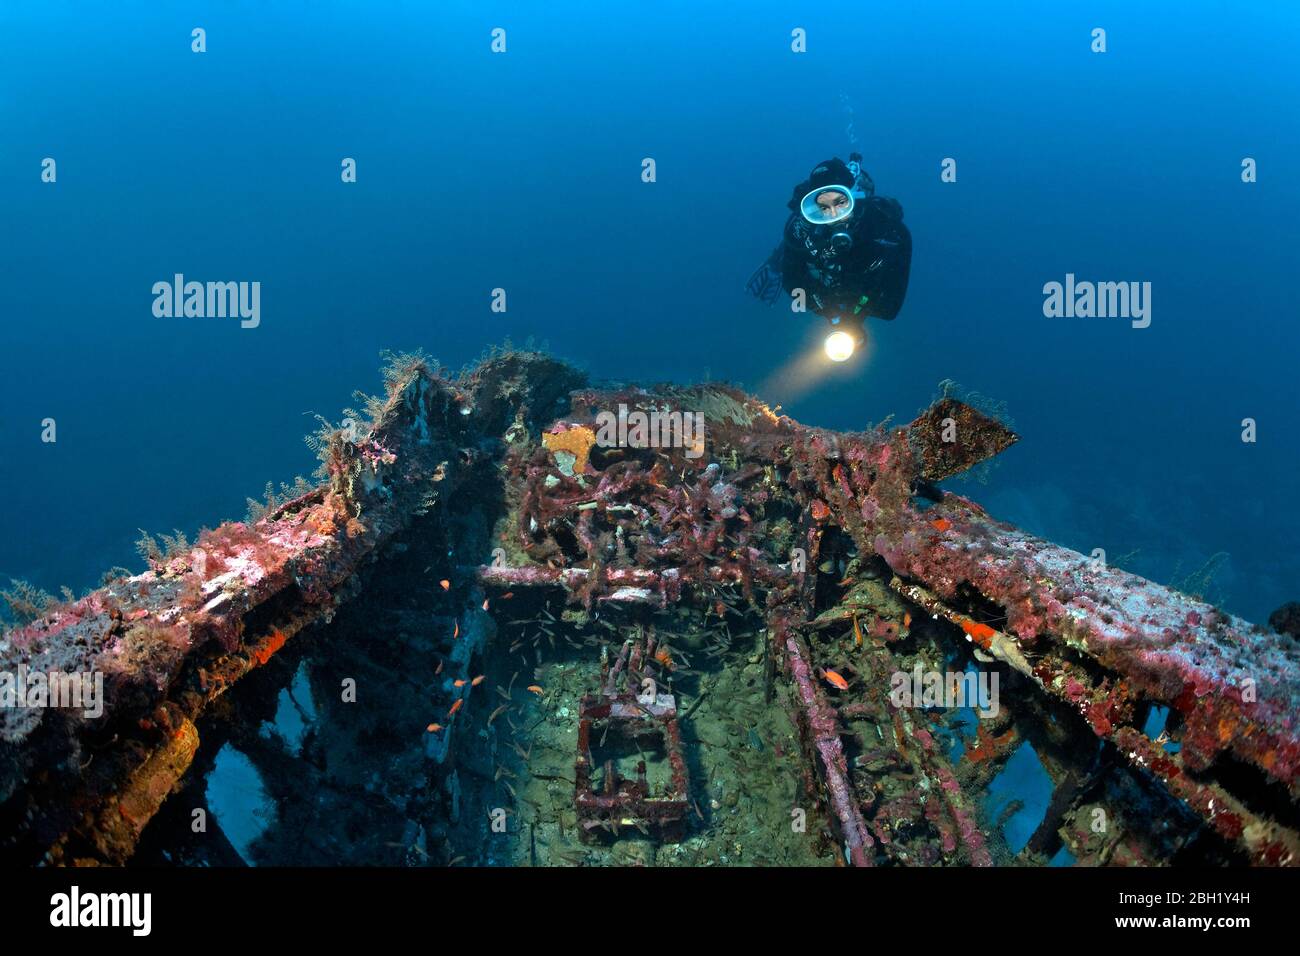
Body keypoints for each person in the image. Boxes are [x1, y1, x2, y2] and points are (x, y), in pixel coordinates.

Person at [748, 154, 911, 359]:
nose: (834, 214)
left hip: (861, 288)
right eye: (823, 207)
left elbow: (890, 307)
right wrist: (830, 313)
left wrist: (856, 316)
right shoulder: (801, 233)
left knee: (884, 313)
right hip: (827, 286)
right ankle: (775, 259)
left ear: (855, 198)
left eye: (841, 202)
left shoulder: (887, 230)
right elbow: (793, 281)